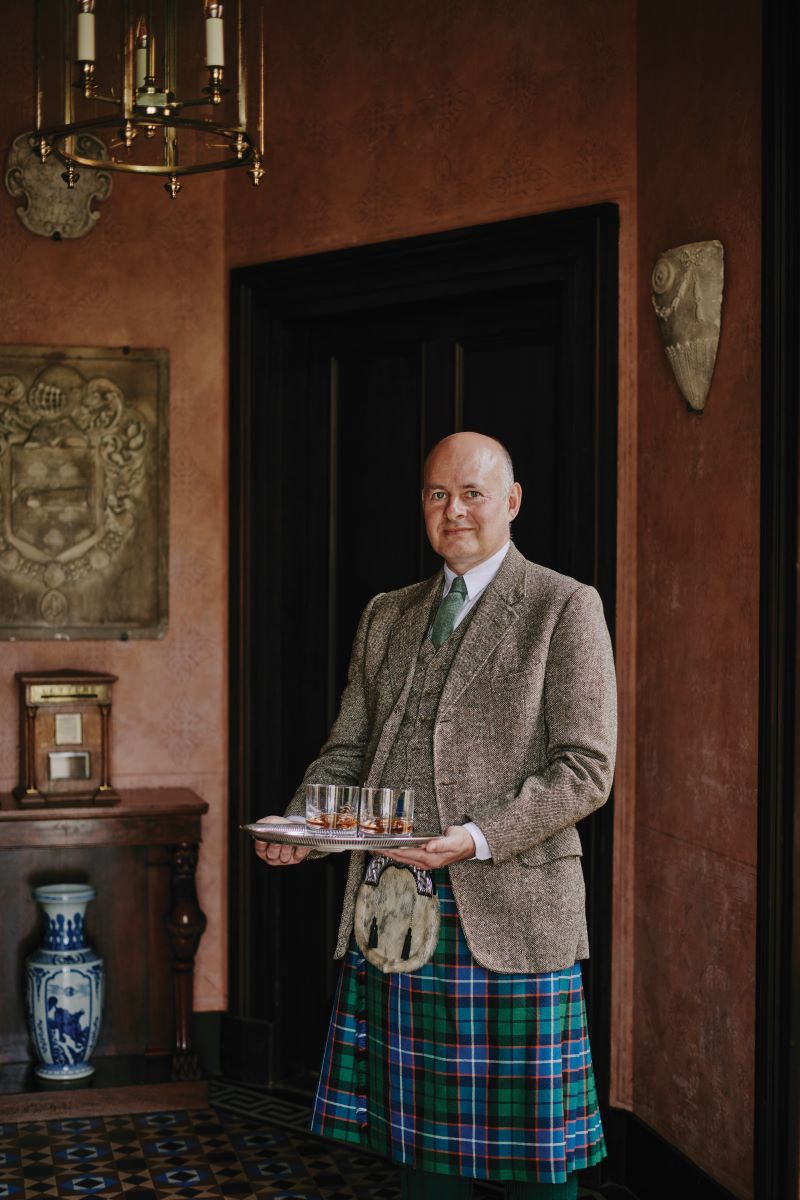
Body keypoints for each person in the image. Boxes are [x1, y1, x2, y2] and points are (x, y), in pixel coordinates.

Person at [255, 431, 617, 1200]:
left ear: (511, 503)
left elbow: (587, 771)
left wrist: (479, 839)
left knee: (537, 1163)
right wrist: (302, 829)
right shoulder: (389, 614)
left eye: (472, 493)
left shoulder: (563, 607)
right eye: (436, 494)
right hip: (393, 911)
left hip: (514, 912)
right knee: (418, 1144)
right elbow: (346, 750)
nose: (453, 510)